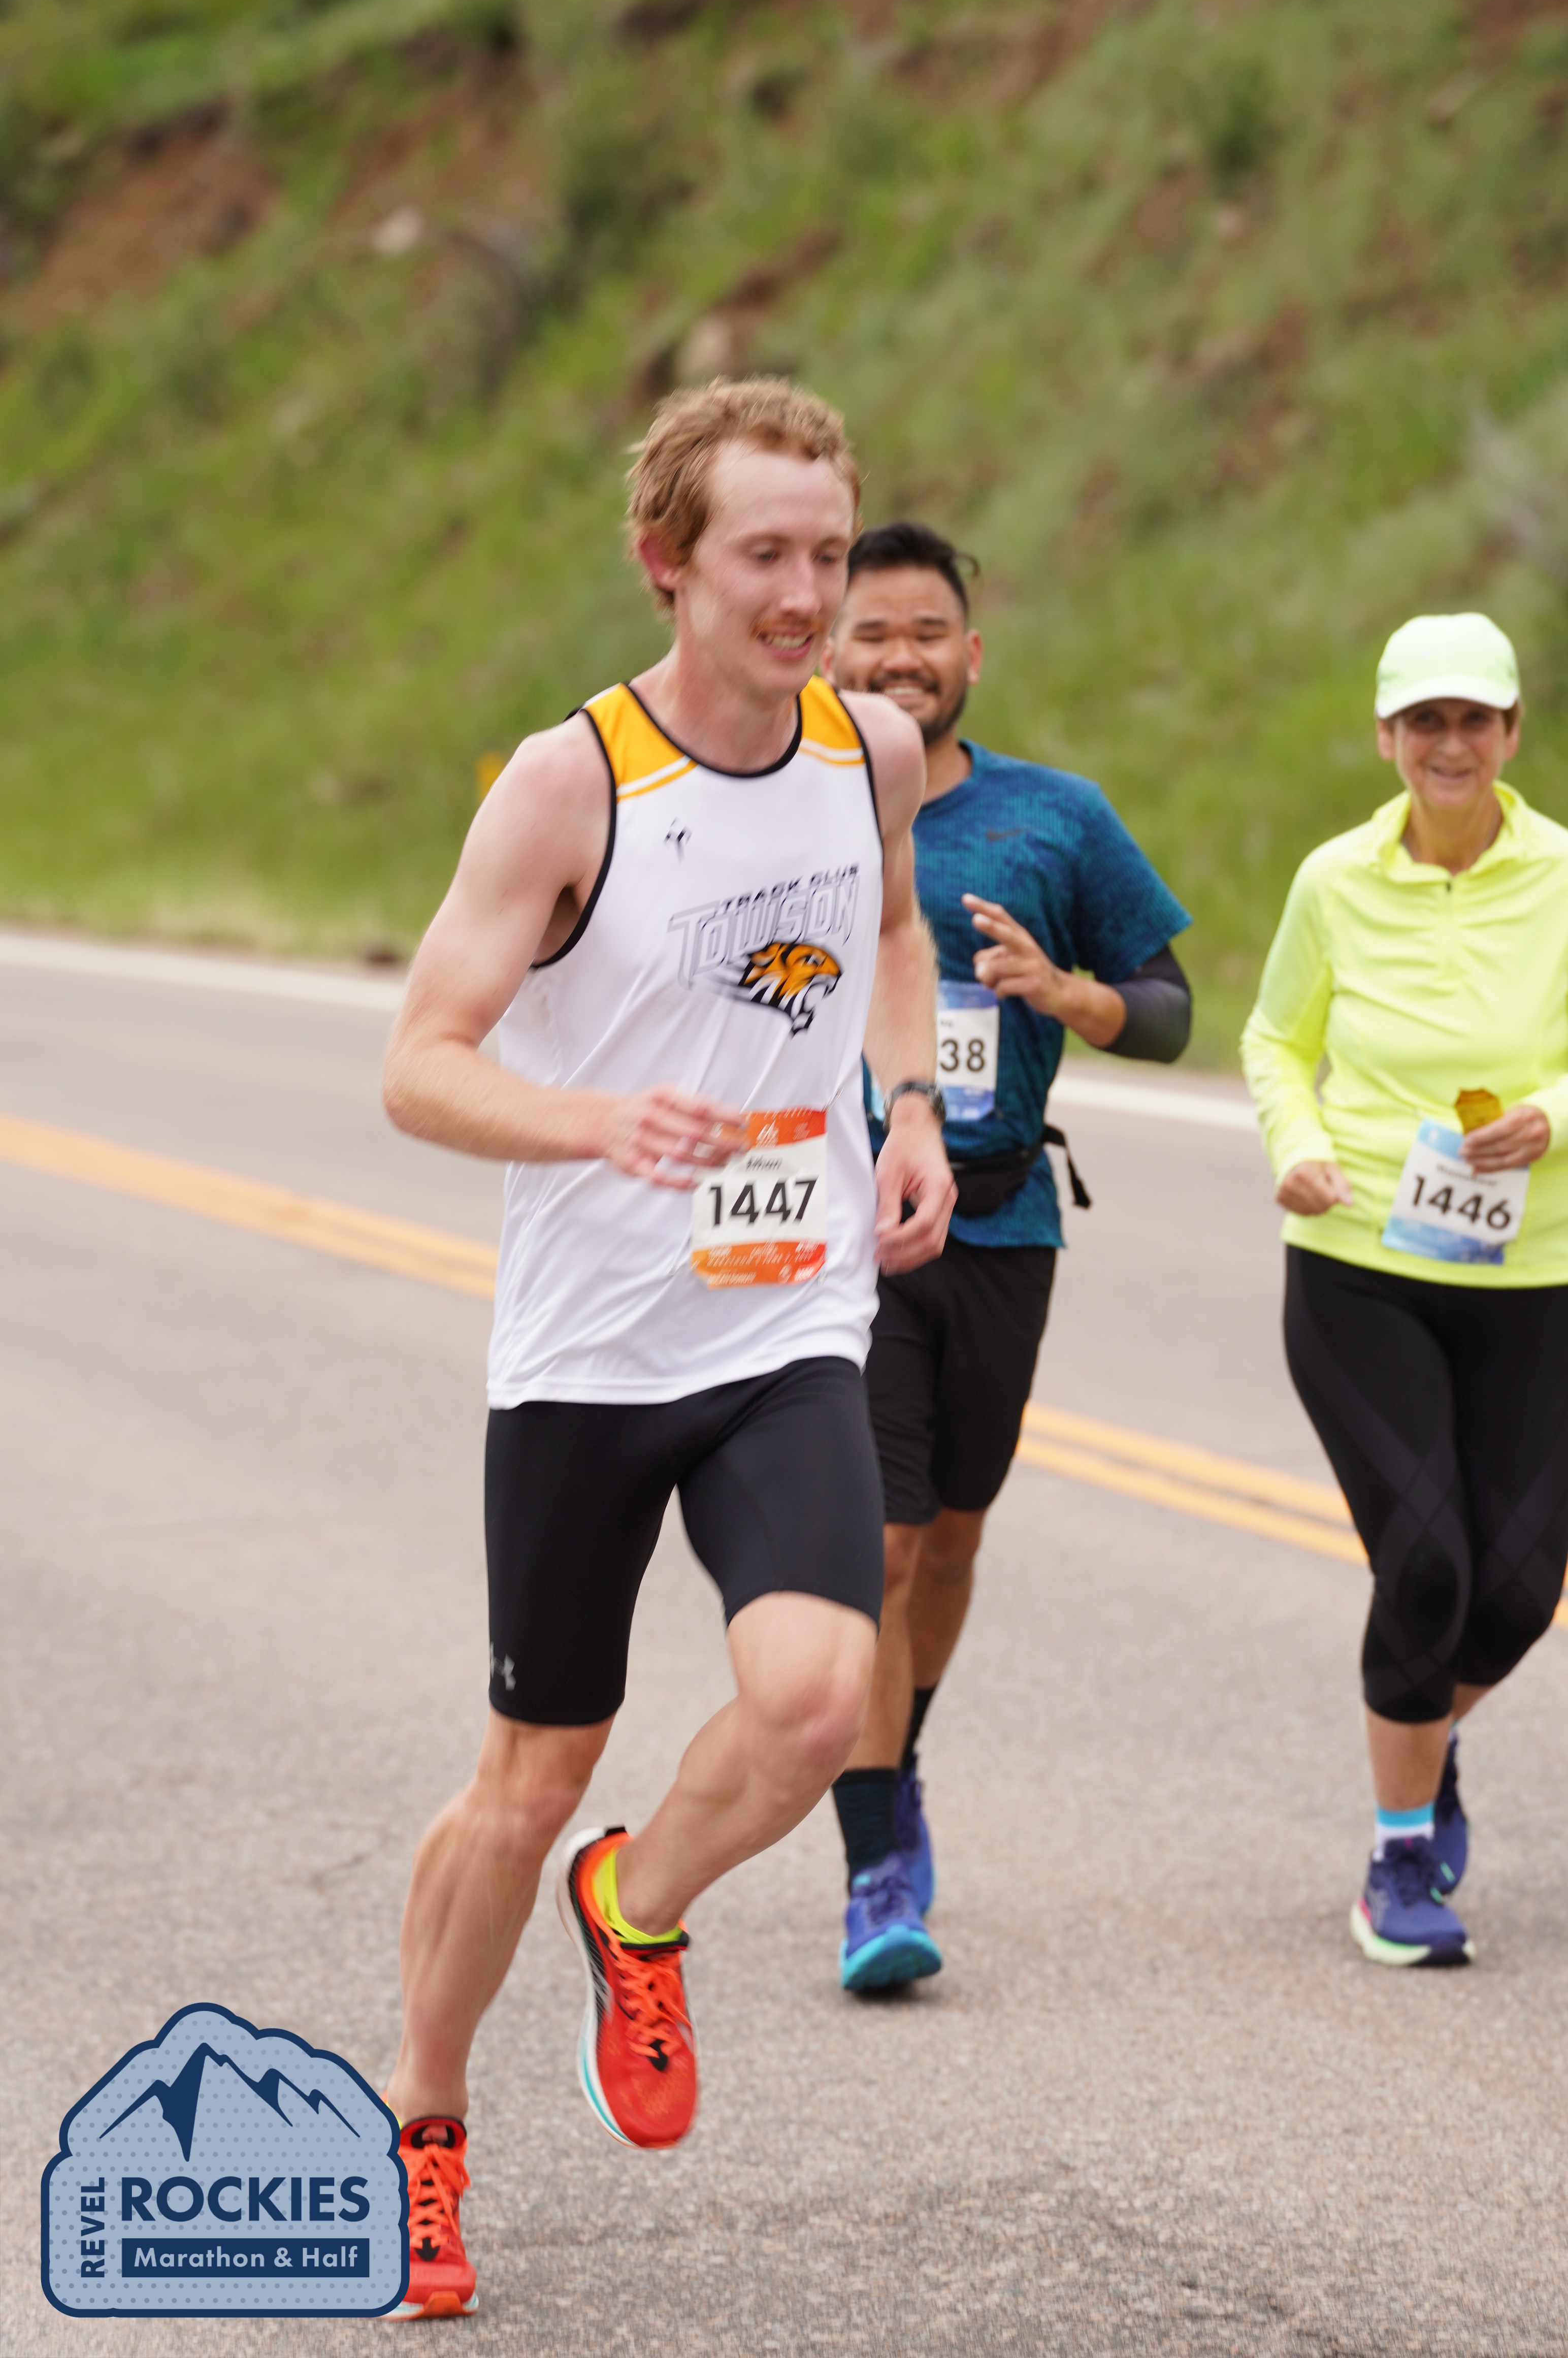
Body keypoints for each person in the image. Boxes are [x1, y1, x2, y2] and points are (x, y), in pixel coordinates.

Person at [375, 380, 954, 2318]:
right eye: (764, 555)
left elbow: (892, 933)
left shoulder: (871, 752)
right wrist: (593, 1121)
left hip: (786, 1320)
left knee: (812, 1700)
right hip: (589, 1356)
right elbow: (420, 1066)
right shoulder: (573, 785)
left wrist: (909, 1106)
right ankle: (426, 2111)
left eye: (827, 554)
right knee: (527, 1782)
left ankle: (639, 1909)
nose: (806, 595)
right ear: (668, 562)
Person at [820, 520, 1193, 1991]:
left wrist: (1067, 993)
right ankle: (874, 1869)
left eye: (927, 634)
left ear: (970, 654)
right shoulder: (778, 802)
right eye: (872, 634)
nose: (900, 659)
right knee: (883, 1541)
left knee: (954, 1537)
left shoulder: (1057, 818)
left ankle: (895, 1759)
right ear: (825, 650)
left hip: (1005, 1223)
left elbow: (1168, 1009)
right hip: (841, 1234)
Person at [1242, 611, 1568, 1968]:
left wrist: (1559, 1116)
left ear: (1511, 733)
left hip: (1536, 1273)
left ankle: (1422, 1739)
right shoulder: (1334, 881)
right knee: (1428, 1565)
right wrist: (1296, 1146)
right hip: (1361, 1266)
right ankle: (1398, 1858)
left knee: (1513, 1597)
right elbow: (1275, 1040)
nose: (1450, 744)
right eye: (1424, 722)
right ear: (1388, 738)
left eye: (1474, 720)